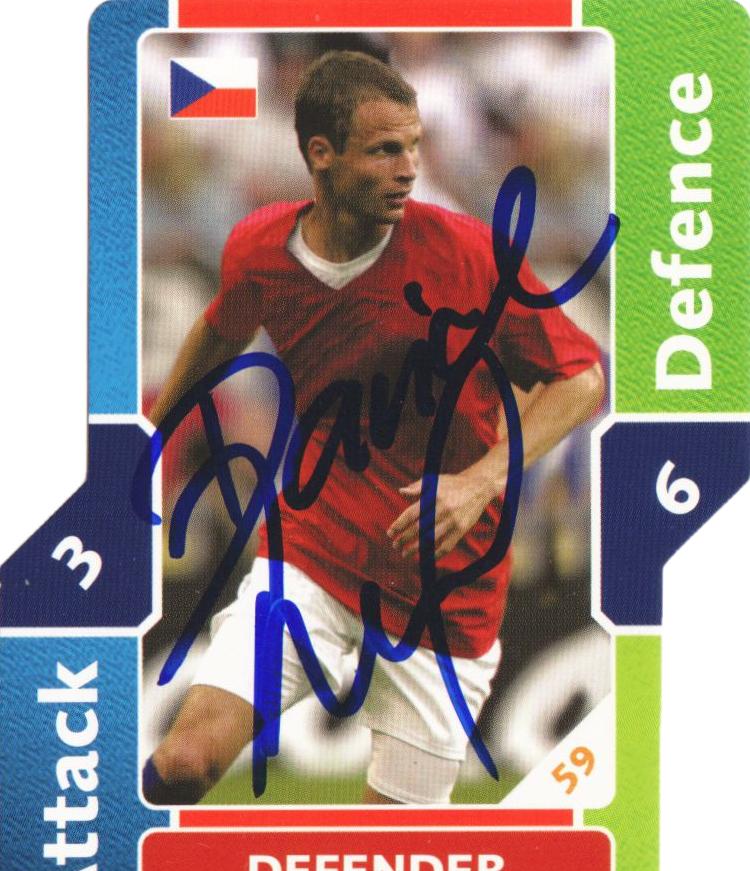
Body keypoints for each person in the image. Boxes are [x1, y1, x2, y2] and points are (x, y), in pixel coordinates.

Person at [141, 50, 604, 807]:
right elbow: (221, 332)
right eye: (386, 150)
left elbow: (580, 377)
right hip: (314, 557)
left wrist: (477, 481)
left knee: (393, 847)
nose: (409, 167)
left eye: (414, 146)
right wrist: (146, 440)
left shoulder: (467, 255)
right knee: (184, 763)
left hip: (443, 589)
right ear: (321, 155)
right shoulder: (262, 249)